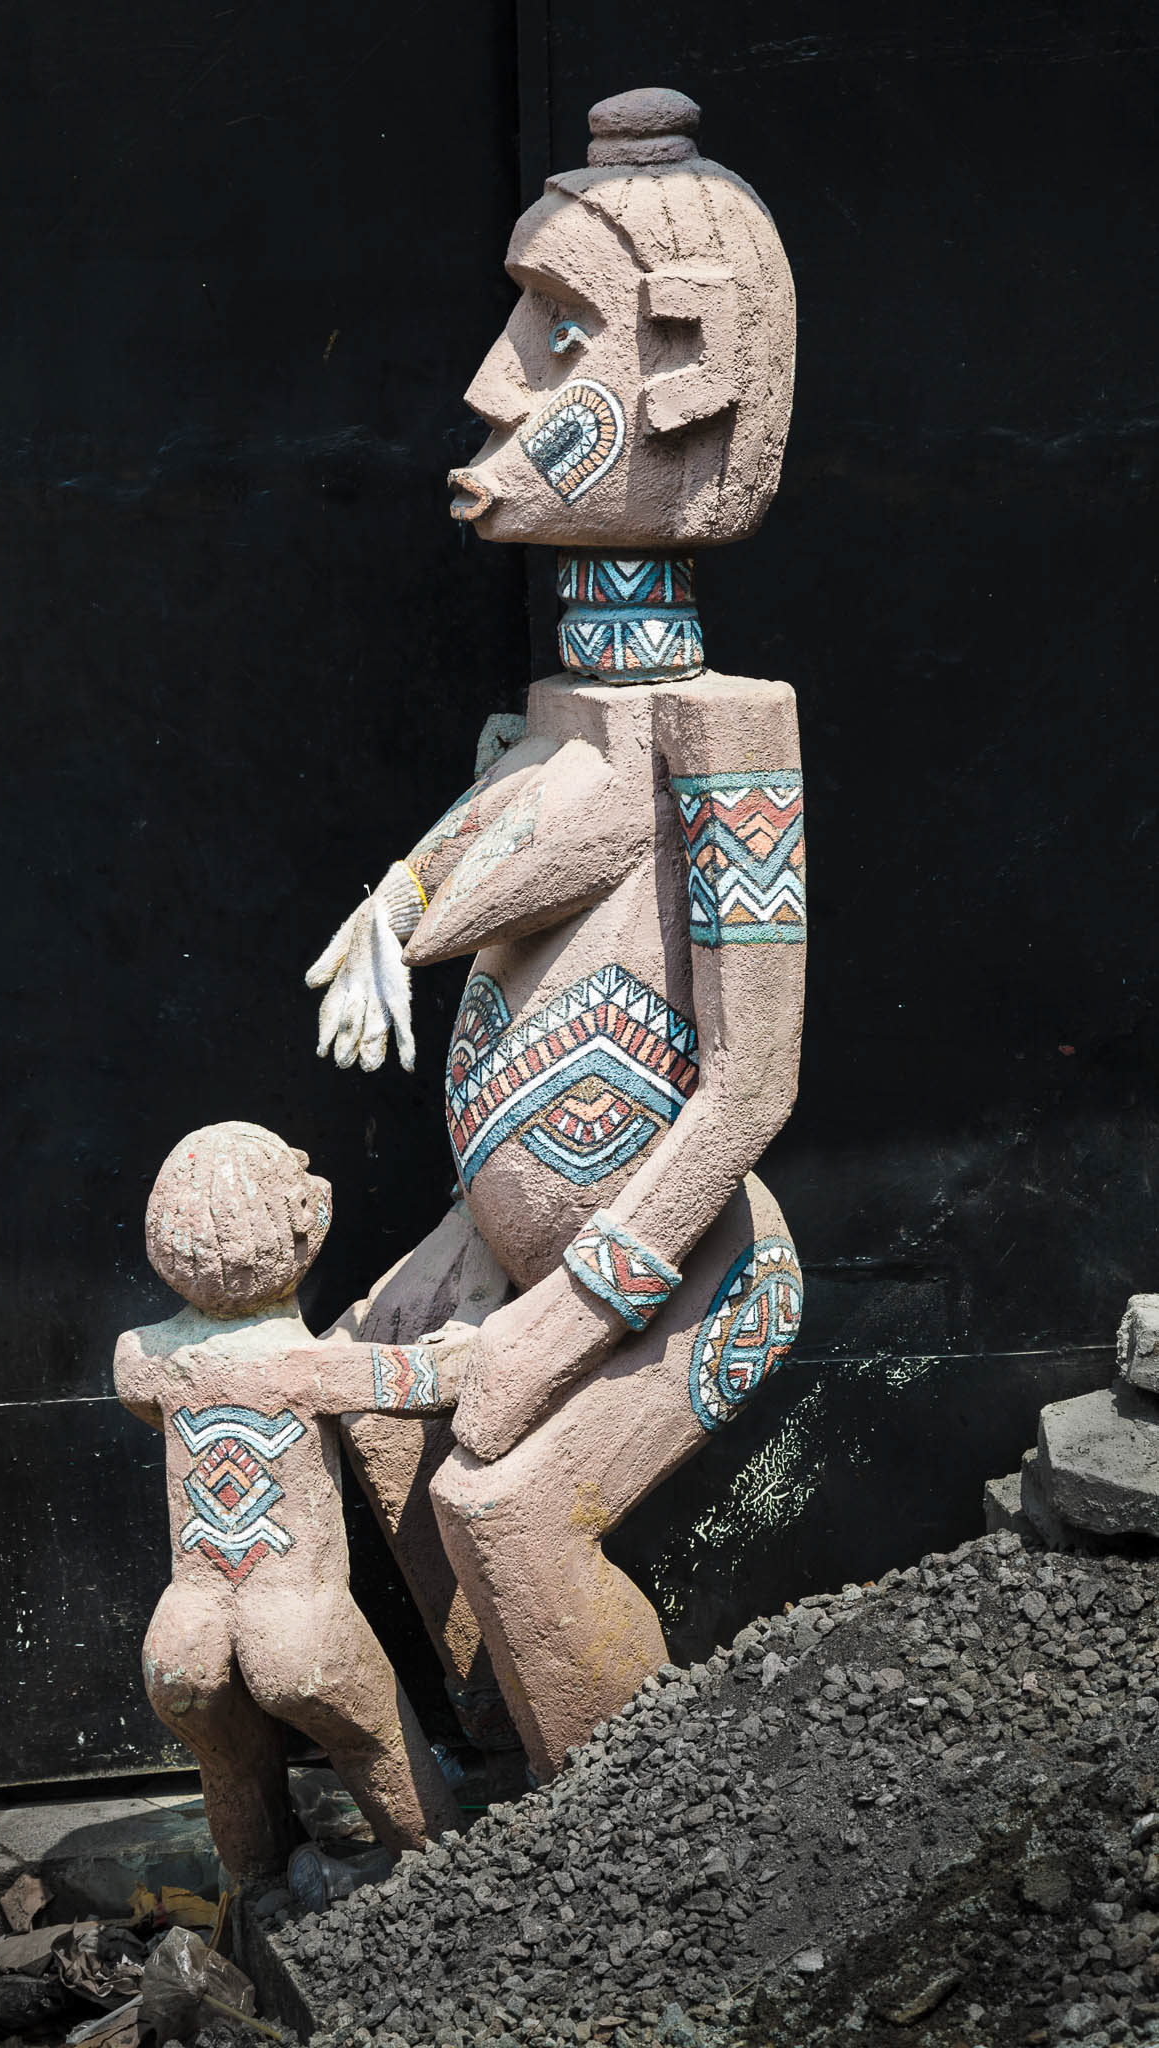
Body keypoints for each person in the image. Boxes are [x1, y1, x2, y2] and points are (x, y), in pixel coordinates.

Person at [307, 87, 806, 1780]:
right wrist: (405, 911)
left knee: (510, 1507)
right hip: (519, 1237)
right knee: (388, 1406)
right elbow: (545, 863)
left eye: (559, 331)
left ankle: (635, 1852)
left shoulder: (722, 735)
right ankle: (514, 1800)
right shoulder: (563, 714)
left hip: (694, 1270)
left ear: (693, 371)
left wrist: (561, 1311)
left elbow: (748, 1084)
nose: (490, 381)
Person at [114, 1120, 461, 1872]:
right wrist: (467, 1335)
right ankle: (442, 1884)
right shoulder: (314, 1367)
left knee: (232, 1771)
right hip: (299, 1625)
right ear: (299, 1230)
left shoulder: (139, 1358)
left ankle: (257, 1893)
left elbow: (145, 1398)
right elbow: (435, 1383)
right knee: (376, 1752)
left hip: (184, 1629)